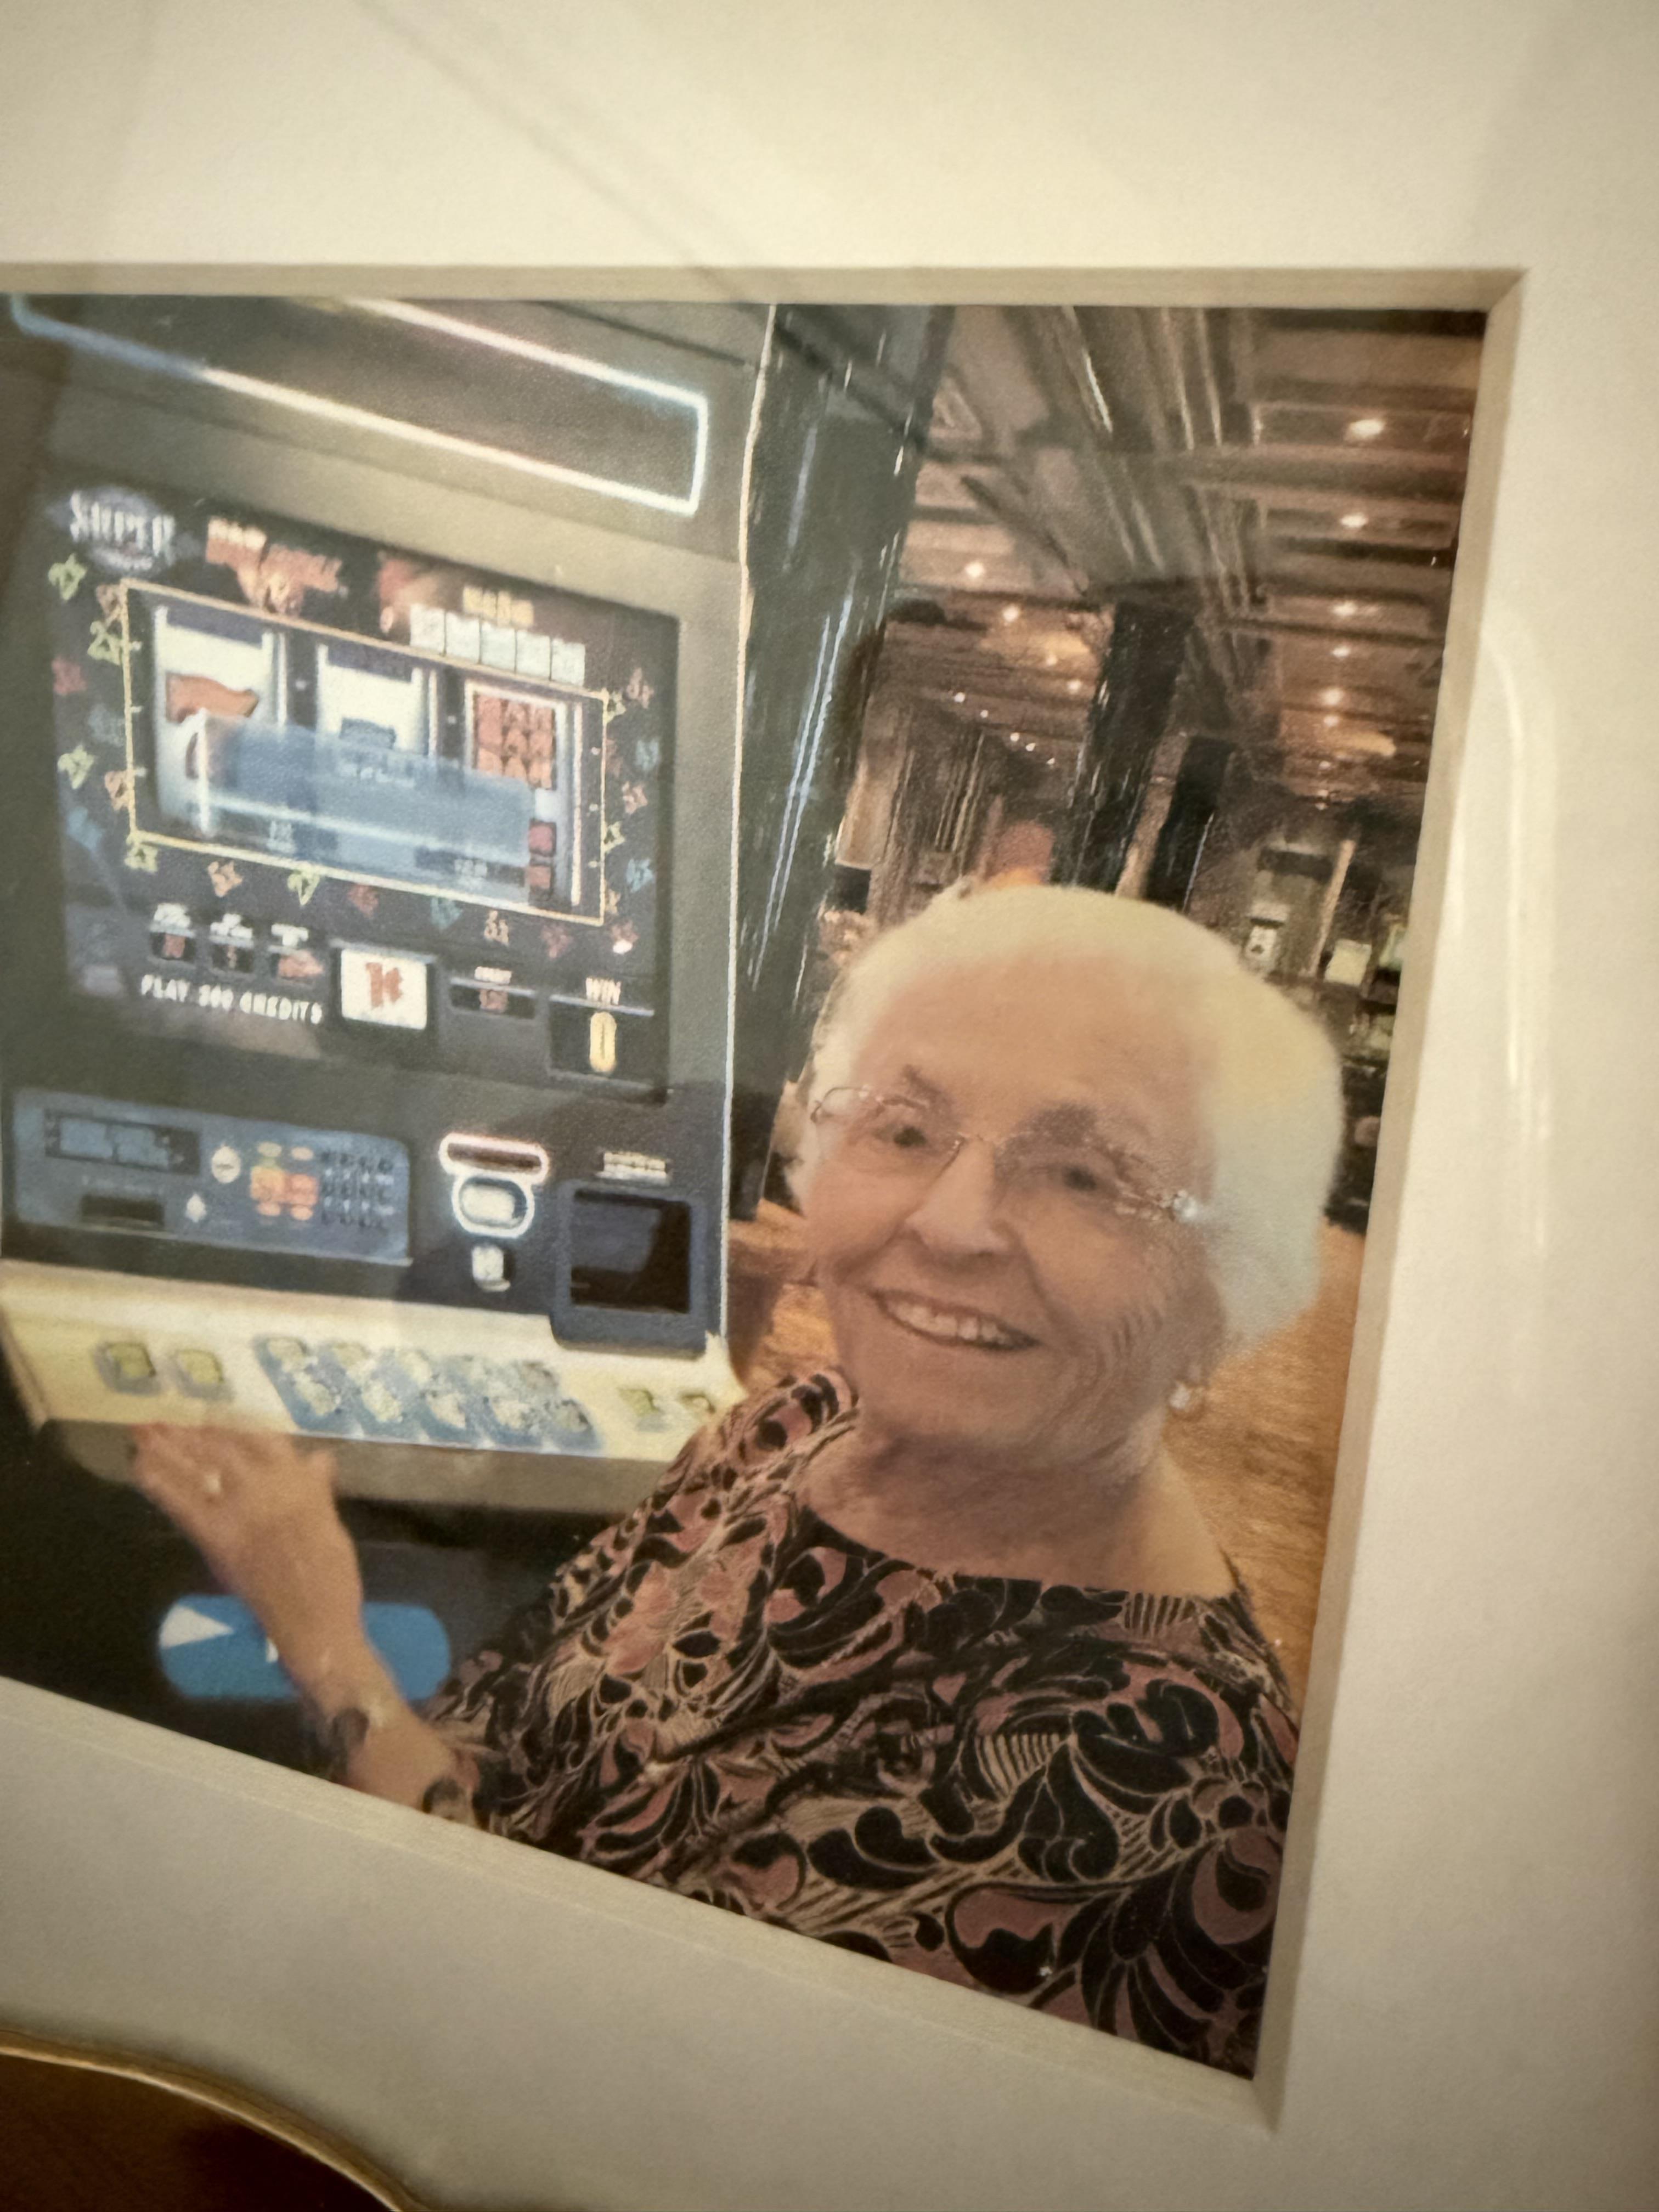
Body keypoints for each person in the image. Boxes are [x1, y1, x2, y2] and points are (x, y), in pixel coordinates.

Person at [134, 885, 1341, 2076]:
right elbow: (508, 1748)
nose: (953, 1221)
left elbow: (570, 2073)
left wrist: (328, 1647)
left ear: (1230, 1297)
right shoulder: (796, 1427)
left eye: (1086, 1176)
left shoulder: (1161, 1785)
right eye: (907, 1131)